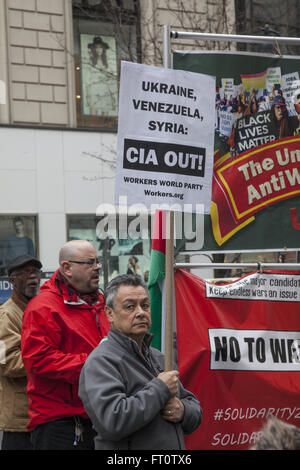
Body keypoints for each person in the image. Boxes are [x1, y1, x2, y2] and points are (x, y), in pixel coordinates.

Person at [79, 274, 202, 450]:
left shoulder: (159, 357)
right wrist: (160, 388)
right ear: (110, 313)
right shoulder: (101, 362)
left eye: (145, 305)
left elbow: (193, 405)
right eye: (130, 307)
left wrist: (182, 411)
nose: (141, 313)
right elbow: (113, 421)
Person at [21, 240, 110, 450]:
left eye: (98, 262)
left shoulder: (101, 303)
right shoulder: (42, 307)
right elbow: (38, 360)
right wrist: (95, 365)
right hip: (61, 424)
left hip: (99, 417)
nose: (97, 267)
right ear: (67, 268)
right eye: (89, 263)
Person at [0, 254, 42, 450]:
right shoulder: (6, 316)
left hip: (40, 414)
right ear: (12, 281)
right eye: (25, 273)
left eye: (35, 272)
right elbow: (6, 363)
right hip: (19, 421)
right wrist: (47, 359)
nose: (32, 277)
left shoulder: (38, 310)